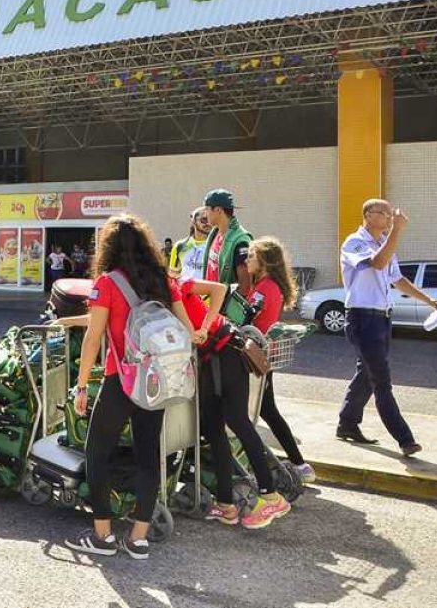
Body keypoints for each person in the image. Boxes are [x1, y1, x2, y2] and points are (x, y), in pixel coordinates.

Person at [65, 214, 195, 561]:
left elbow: (94, 338)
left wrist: (80, 386)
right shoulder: (165, 280)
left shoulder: (107, 283)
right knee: (148, 455)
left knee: (97, 452)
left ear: (108, 247)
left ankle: (103, 534)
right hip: (157, 381)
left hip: (120, 381)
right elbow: (187, 330)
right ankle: (138, 538)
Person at [180, 275, 293, 529]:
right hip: (212, 358)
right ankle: (225, 504)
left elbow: (219, 289)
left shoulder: (179, 285)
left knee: (238, 422)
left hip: (228, 350)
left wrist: (204, 326)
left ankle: (270, 496)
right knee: (212, 427)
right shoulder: (159, 295)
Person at [338, 201, 437, 455]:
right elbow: (378, 263)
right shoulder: (355, 242)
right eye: (382, 214)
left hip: (382, 319)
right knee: (381, 380)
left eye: (389, 214)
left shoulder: (385, 243)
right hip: (362, 319)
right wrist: (397, 230)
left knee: (367, 374)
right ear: (367, 216)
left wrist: (428, 300)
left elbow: (398, 279)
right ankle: (405, 439)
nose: (388, 218)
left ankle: (347, 423)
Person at [246, 237, 314, 483]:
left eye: (251, 256)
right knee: (264, 410)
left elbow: (247, 318)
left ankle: (298, 463)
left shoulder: (264, 288)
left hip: (258, 355)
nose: (246, 261)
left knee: (264, 411)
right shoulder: (269, 284)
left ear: (263, 261)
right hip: (264, 354)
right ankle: (297, 463)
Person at [202, 189, 253, 301]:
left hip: (224, 312)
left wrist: (224, 309)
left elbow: (245, 286)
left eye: (207, 209)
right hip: (210, 305)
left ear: (219, 210)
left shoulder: (241, 241)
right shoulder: (215, 233)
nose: (205, 214)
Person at [169, 206, 211, 283]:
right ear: (193, 221)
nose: (208, 223)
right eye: (204, 220)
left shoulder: (216, 247)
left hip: (207, 294)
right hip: (185, 293)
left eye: (210, 220)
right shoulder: (180, 246)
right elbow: (173, 275)